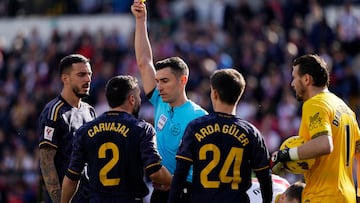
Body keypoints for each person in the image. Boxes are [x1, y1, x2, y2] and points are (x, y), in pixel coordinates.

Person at [131, 1, 208, 202]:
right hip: (161, 192)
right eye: (157, 81)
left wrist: (173, 181)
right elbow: (144, 62)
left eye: (164, 81)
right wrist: (141, 20)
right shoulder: (160, 102)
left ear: (183, 80)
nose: (159, 87)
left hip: (186, 193)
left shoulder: (199, 117)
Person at [61, 75, 173, 203]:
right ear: (132, 99)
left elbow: (71, 177)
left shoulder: (84, 131)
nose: (139, 101)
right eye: (138, 96)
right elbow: (155, 172)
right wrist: (175, 181)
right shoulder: (142, 129)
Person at [168, 69, 272, 203]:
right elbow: (265, 178)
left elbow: (180, 174)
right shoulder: (252, 133)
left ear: (215, 94)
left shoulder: (195, 127)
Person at [270, 54, 360, 202]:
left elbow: (324, 144)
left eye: (294, 77)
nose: (292, 83)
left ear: (306, 79)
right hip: (347, 196)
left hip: (322, 195)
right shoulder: (346, 110)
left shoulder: (314, 104)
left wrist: (285, 155)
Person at [38, 54, 96, 203]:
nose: (88, 79)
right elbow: (46, 161)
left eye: (89, 74)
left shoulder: (89, 111)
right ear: (65, 79)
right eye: (81, 75)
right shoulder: (54, 111)